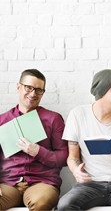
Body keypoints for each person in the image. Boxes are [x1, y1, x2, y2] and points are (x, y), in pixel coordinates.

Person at [58, 69, 111, 211]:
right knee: (64, 205)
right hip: (90, 184)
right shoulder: (77, 115)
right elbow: (72, 157)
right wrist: (76, 171)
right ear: (103, 91)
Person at [0, 69, 68, 211]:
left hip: (42, 184)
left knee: (40, 202)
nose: (33, 94)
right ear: (19, 87)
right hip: (8, 184)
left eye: (38, 90)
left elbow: (64, 157)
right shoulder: (2, 120)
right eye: (28, 88)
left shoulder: (53, 119)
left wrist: (39, 152)